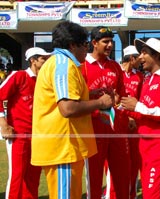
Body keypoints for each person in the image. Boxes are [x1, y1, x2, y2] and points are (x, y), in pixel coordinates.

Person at [30, 21, 114, 199]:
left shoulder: (61, 64)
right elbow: (67, 108)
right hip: (63, 150)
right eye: (85, 44)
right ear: (72, 45)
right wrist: (100, 102)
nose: (87, 49)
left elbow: (61, 98)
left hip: (67, 148)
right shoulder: (63, 65)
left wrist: (89, 94)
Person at [120, 38, 160, 199]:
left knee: (158, 192)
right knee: (149, 190)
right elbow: (143, 114)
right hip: (145, 141)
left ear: (156, 55)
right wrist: (121, 105)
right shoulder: (148, 79)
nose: (140, 57)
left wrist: (138, 107)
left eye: (144, 53)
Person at [82, 26, 130, 199]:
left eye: (112, 41)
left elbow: (123, 96)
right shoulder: (82, 66)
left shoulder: (115, 66)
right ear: (94, 43)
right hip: (92, 128)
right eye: (105, 41)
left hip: (114, 128)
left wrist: (121, 107)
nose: (110, 45)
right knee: (94, 178)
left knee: (122, 175)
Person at [0, 47, 51, 199]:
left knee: (33, 175)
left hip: (38, 136)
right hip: (18, 134)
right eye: (43, 58)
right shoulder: (19, 76)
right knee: (18, 175)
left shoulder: (45, 80)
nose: (46, 61)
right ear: (33, 60)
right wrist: (3, 123)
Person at [104, 45, 143, 199]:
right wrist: (127, 115)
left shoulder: (139, 76)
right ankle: (110, 195)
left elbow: (139, 100)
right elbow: (112, 99)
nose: (141, 60)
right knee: (113, 164)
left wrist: (134, 116)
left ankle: (130, 194)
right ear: (131, 58)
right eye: (138, 58)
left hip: (133, 125)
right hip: (117, 123)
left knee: (134, 162)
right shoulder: (115, 72)